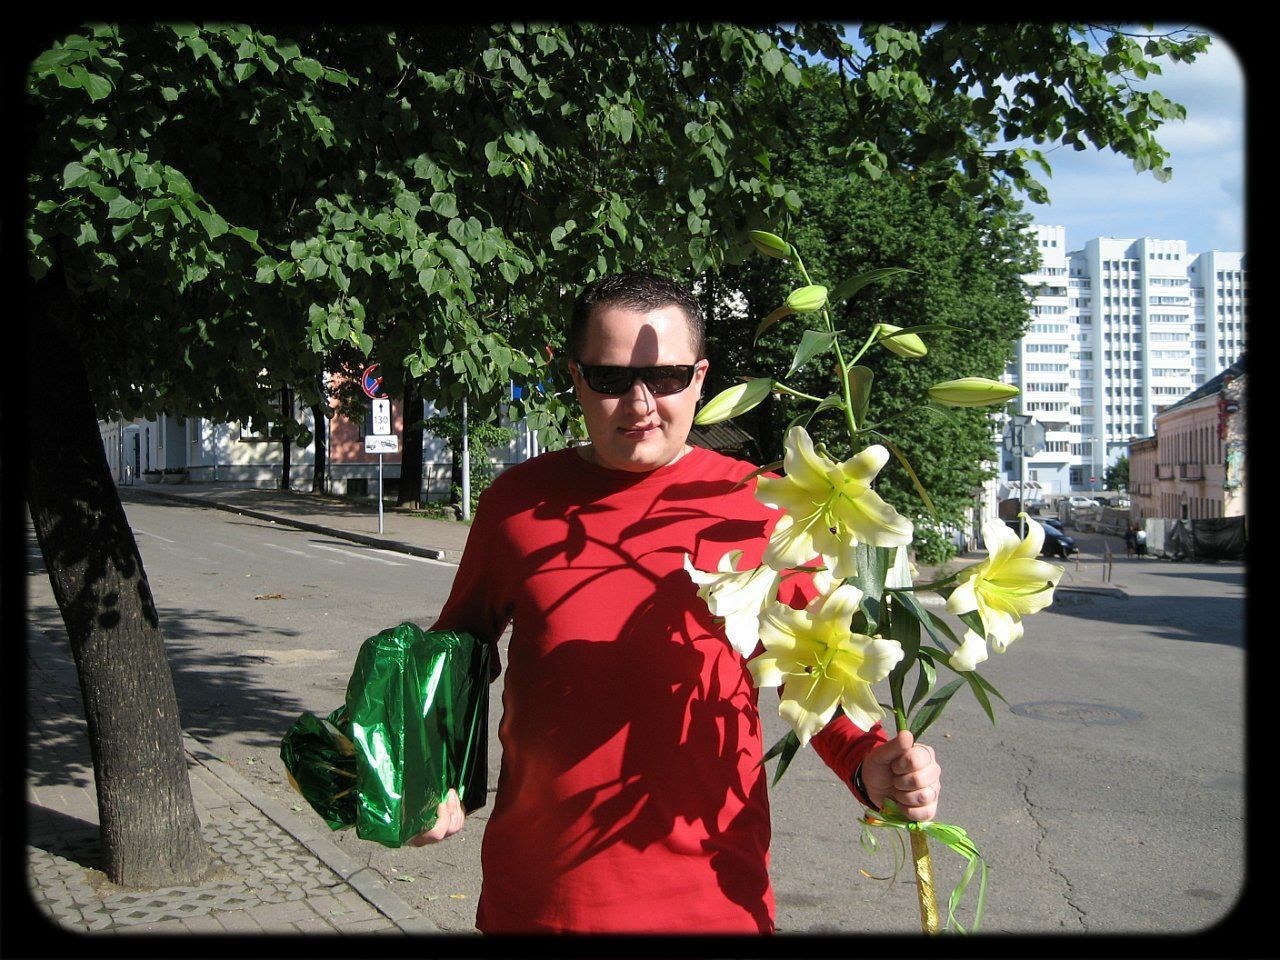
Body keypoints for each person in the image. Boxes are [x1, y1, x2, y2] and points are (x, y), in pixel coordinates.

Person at [410, 273, 943, 934]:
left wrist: (873, 766)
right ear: (575, 378)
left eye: (664, 378)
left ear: (699, 379)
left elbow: (820, 680)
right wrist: (426, 770)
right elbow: (453, 649)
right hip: (540, 903)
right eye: (609, 380)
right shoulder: (517, 503)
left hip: (712, 905)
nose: (640, 404)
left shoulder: (770, 505)